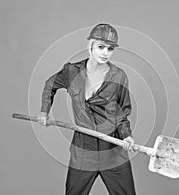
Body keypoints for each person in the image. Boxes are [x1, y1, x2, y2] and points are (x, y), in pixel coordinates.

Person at [38, 23, 136, 195]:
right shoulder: (71, 72)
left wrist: (127, 136)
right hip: (83, 152)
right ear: (90, 45)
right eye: (101, 47)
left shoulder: (119, 76)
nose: (105, 53)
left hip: (113, 152)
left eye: (110, 48)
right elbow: (50, 85)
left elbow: (122, 114)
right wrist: (44, 112)